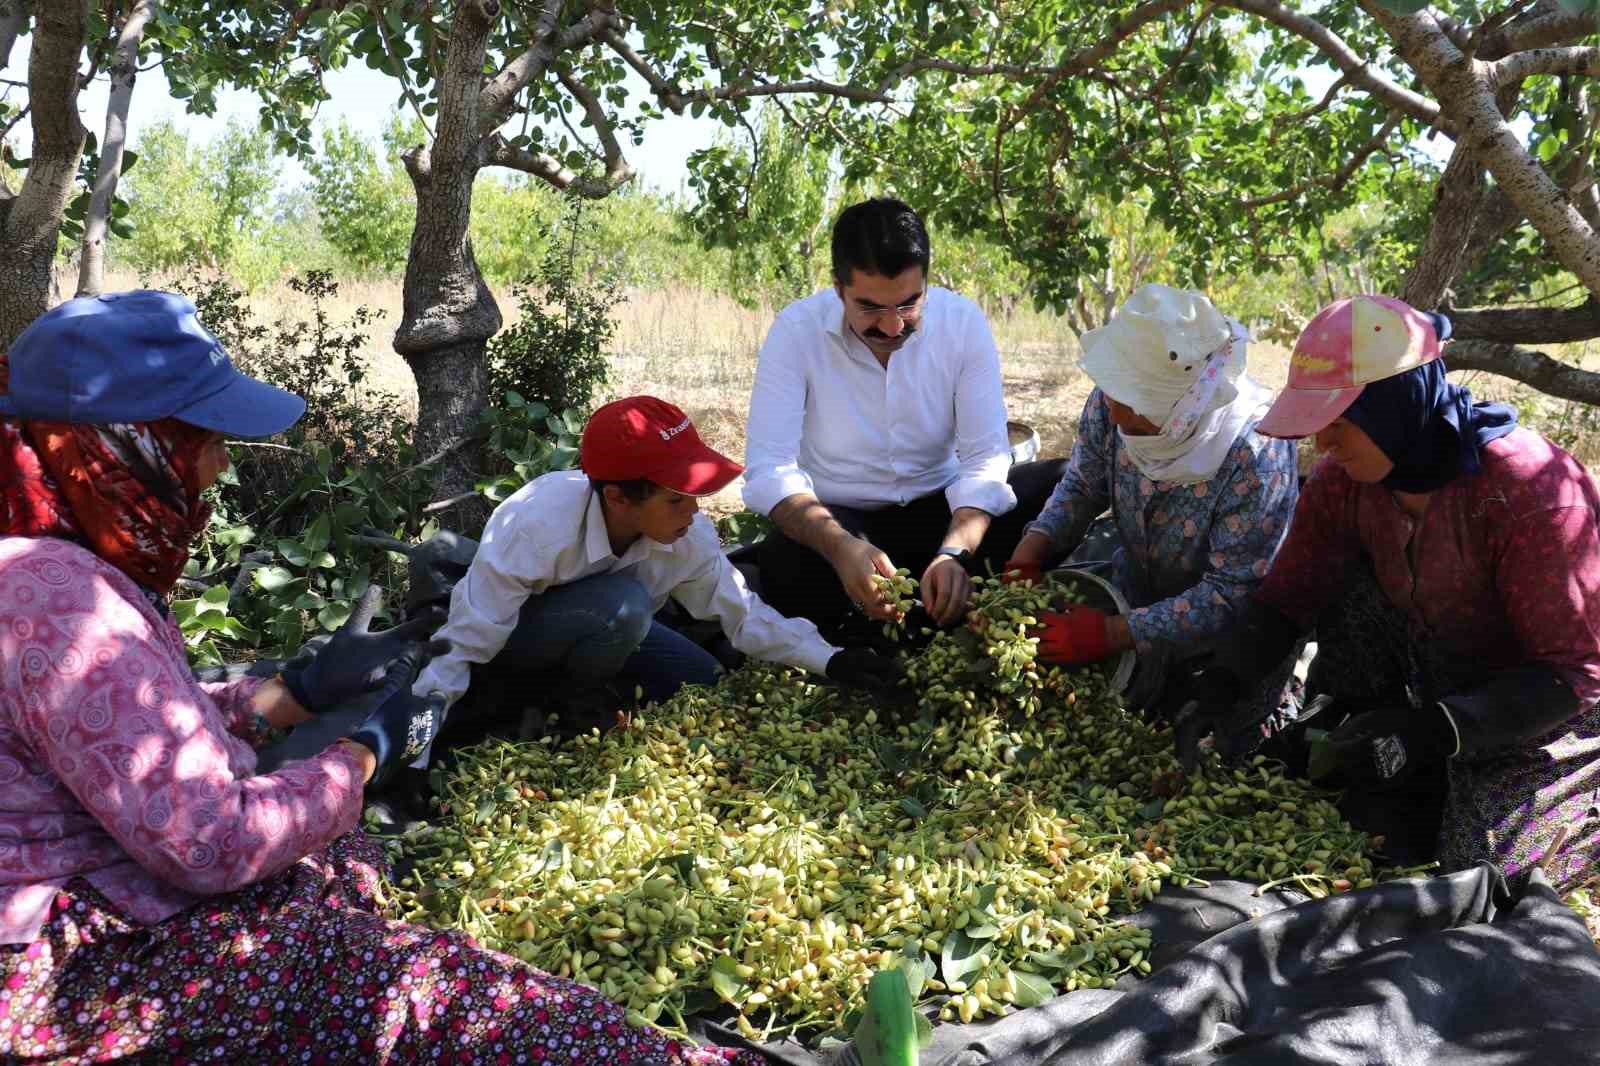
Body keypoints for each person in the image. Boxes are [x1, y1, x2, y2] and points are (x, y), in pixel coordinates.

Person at [0, 291, 762, 1064]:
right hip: (75, 956)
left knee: (352, 861)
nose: (222, 464)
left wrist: (290, 694)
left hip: (110, 878)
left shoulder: (62, 564)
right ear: (127, 448)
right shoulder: (61, 600)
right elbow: (210, 844)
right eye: (206, 439)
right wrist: (361, 757)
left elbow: (135, 735)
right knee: (456, 998)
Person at [1180, 294, 1600, 890]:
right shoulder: (1346, 483)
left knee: (1485, 877)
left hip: (1546, 706)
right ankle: (1366, 731)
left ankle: (1578, 796)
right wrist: (1219, 687)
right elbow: (1288, 597)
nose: (1322, 444)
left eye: (1339, 424)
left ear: (1394, 409)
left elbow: (1574, 671)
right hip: (1432, 670)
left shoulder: (1527, 493)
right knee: (1340, 593)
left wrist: (1430, 731)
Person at [410, 395, 900, 749]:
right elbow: (463, 644)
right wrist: (415, 749)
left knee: (703, 680)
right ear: (618, 498)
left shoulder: (686, 535)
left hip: (614, 630)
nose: (694, 510)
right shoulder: (536, 526)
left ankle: (593, 683)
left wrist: (832, 660)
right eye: (676, 497)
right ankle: (562, 702)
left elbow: (742, 614)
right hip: (518, 637)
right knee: (623, 606)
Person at [743, 197, 1065, 639]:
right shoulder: (796, 331)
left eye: (909, 304)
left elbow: (985, 458)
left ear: (926, 285)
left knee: (1060, 486)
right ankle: (915, 610)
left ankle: (942, 589)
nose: (893, 327)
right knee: (787, 561)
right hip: (842, 523)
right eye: (871, 308)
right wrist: (840, 547)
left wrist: (955, 552)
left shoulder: (963, 323)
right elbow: (770, 470)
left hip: (943, 514)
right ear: (838, 288)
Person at [999, 284, 1300, 713]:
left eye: (1134, 413)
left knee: (1205, 736)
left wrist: (1108, 634)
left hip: (1232, 645)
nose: (1115, 414)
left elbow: (1231, 593)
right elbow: (1084, 486)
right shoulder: (1114, 398)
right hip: (1136, 592)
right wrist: (1031, 551)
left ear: (1183, 413)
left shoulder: (1256, 457)